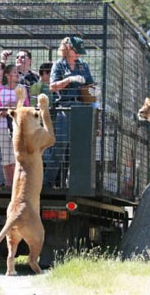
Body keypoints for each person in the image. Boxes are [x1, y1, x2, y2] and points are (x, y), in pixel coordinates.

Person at [45, 36, 95, 187]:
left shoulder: (83, 66)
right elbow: (52, 87)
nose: (79, 54)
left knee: (79, 147)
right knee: (60, 145)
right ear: (67, 49)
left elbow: (91, 84)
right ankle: (47, 183)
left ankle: (75, 183)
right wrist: (69, 80)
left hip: (81, 109)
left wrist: (91, 88)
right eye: (76, 51)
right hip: (65, 108)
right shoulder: (59, 66)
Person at [0, 64, 29, 186]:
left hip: (18, 127)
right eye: (14, 72)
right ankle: (8, 183)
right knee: (6, 156)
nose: (17, 74)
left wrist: (14, 106)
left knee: (17, 156)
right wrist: (3, 111)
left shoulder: (21, 88)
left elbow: (26, 106)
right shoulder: (0, 90)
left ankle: (17, 183)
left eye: (17, 72)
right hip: (3, 126)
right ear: (7, 75)